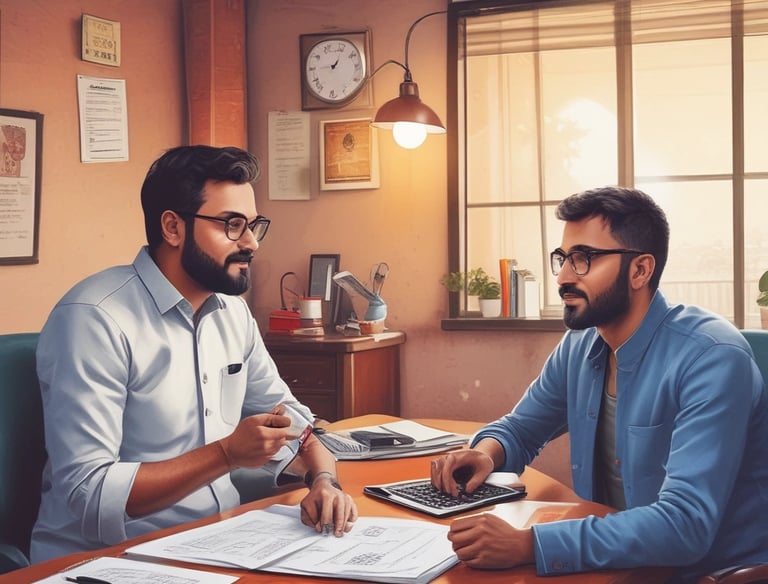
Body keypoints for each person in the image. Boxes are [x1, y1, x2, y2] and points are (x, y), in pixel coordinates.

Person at [31, 145, 357, 562]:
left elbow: (293, 420)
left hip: (213, 546)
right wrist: (225, 454)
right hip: (108, 561)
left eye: (254, 225)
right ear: (172, 227)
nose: (252, 243)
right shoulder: (94, 319)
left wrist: (324, 481)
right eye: (233, 225)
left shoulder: (232, 313)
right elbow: (89, 493)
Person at [431, 187, 768, 582]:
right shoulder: (582, 342)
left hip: (709, 571)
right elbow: (522, 428)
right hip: (617, 560)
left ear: (640, 270)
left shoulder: (711, 357)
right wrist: (487, 452)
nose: (563, 276)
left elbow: (685, 524)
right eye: (563, 258)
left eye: (584, 259)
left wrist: (530, 544)